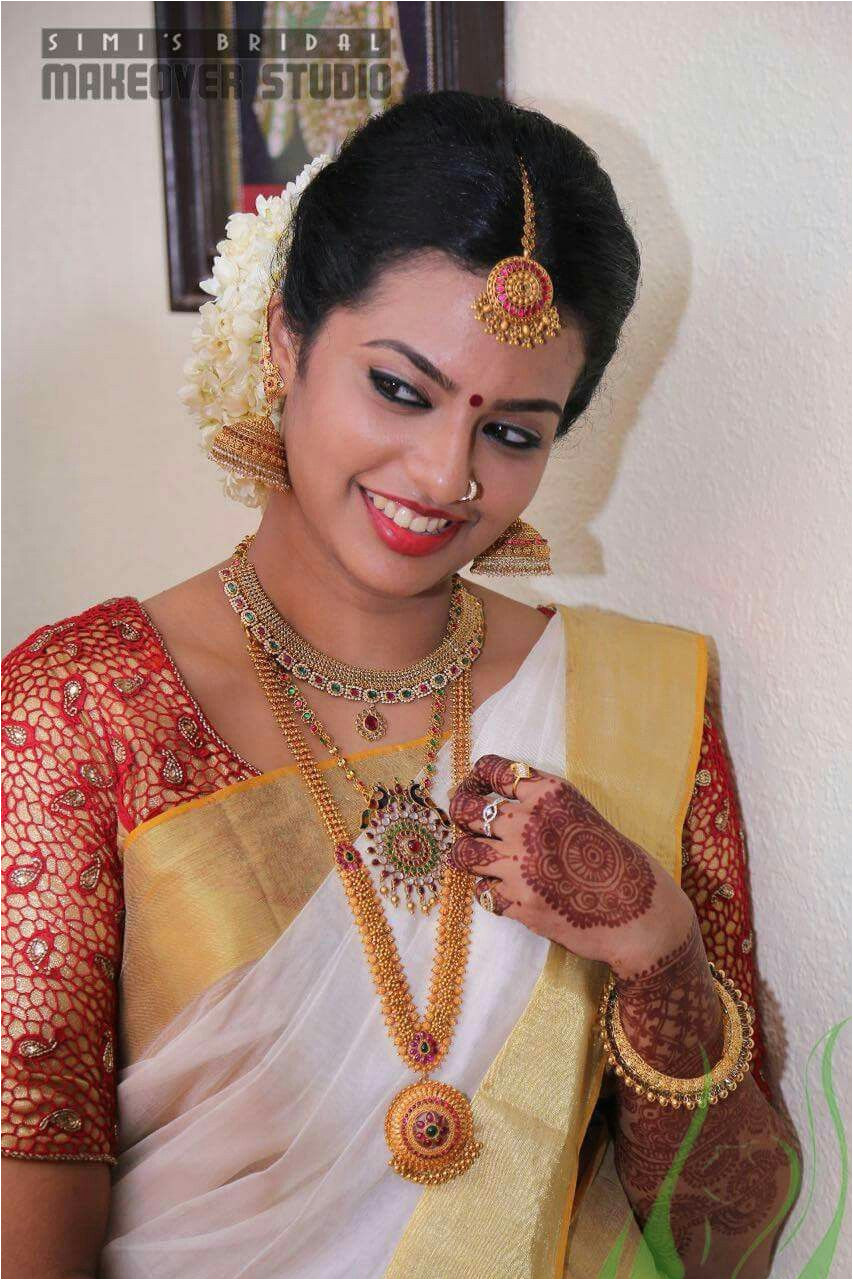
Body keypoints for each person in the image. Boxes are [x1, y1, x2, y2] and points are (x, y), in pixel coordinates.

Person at [1, 91, 799, 1279]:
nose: (444, 472)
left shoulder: (641, 701)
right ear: (285, 340)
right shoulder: (82, 709)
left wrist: (657, 951)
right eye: (401, 387)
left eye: (514, 433)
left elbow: (723, 1244)